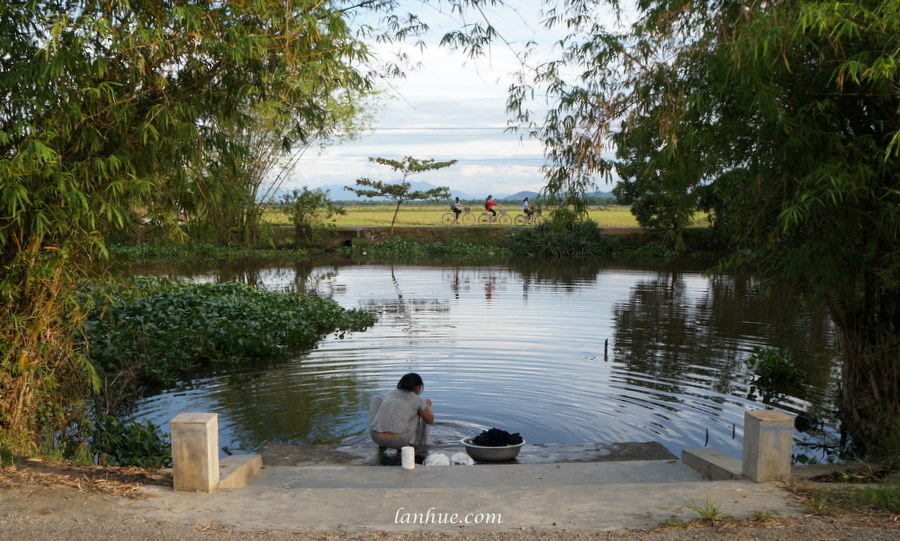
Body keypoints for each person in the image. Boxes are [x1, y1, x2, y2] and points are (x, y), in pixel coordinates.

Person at [369, 373, 434, 450]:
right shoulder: (417, 399)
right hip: (398, 441)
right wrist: (428, 406)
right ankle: (404, 446)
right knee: (419, 412)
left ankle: (382, 448)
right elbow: (430, 420)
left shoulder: (390, 393)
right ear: (418, 388)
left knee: (378, 401)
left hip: (375, 437)